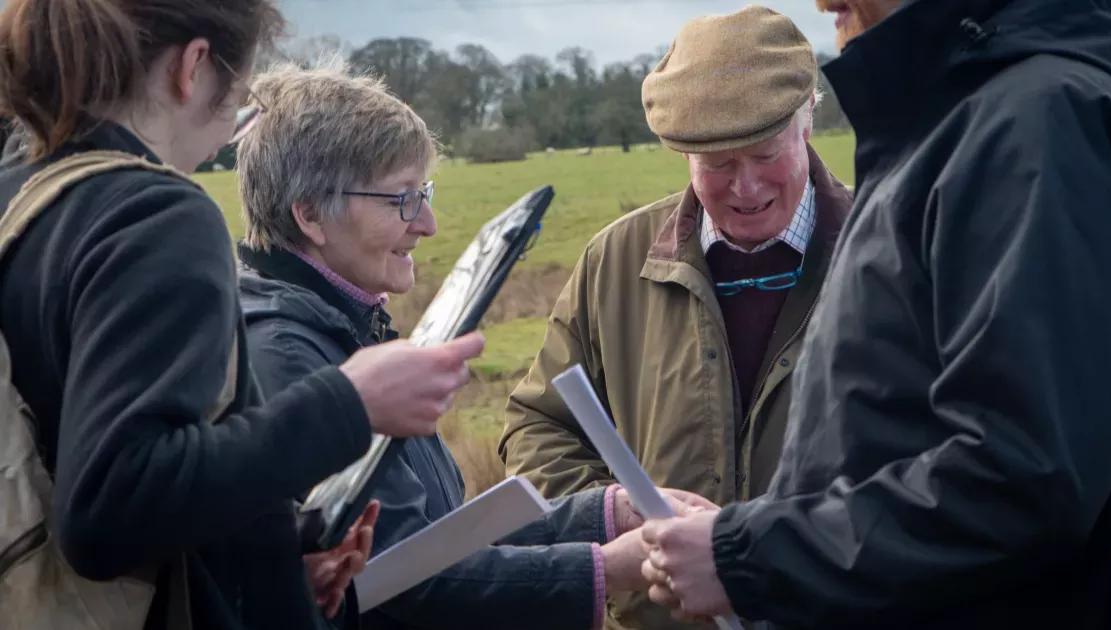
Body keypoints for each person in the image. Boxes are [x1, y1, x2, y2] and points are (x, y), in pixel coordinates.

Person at [637, 0, 1111, 628]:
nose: (823, 3)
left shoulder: (1037, 124)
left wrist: (749, 556)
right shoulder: (956, 121)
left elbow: (1019, 479)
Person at [0, 1, 482, 628]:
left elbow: (69, 456)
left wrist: (262, 568)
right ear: (194, 67)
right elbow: (110, 507)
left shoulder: (23, 191)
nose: (233, 121)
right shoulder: (153, 216)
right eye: (242, 90)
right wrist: (348, 403)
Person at [233, 60, 716, 630]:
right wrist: (607, 568)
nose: (429, 223)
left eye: (425, 193)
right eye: (402, 199)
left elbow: (436, 538)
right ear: (310, 214)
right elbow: (403, 581)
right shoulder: (288, 354)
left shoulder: (343, 328)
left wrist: (604, 515)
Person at [498, 7, 851, 626]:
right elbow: (537, 423)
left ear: (808, 119)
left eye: (767, 153)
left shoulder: (883, 248)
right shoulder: (615, 260)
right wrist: (612, 511)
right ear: (681, 153)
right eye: (716, 164)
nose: (745, 187)